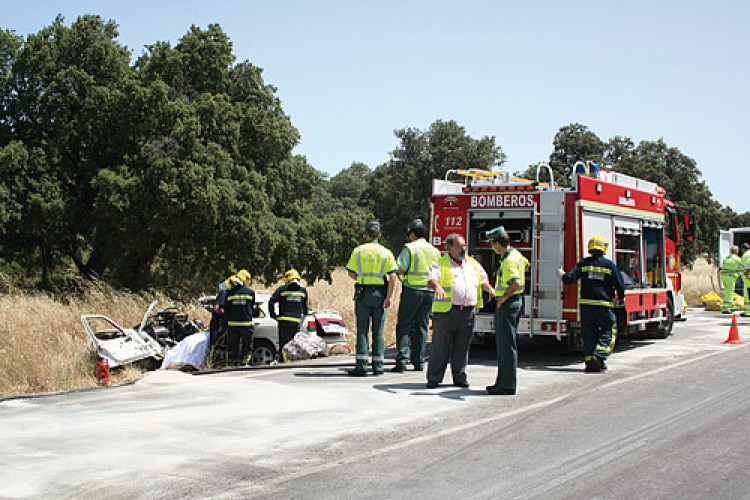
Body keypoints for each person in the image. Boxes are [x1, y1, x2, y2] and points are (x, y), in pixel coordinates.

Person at [426, 233, 494, 389]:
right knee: (440, 347)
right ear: (449, 247)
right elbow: (432, 279)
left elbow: (483, 278)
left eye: (464, 245)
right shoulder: (440, 263)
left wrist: (489, 288)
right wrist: (437, 286)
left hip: (467, 312)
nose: (462, 248)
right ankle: (434, 378)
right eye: (458, 246)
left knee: (462, 347)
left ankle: (460, 377)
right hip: (446, 312)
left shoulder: (472, 263)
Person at [561, 234, 625, 372]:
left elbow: (569, 279)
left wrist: (562, 275)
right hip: (604, 306)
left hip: (586, 306)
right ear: (603, 248)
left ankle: (590, 361)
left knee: (589, 333)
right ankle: (599, 355)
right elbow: (620, 284)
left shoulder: (583, 264)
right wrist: (621, 298)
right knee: (609, 330)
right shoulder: (609, 265)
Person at [346, 221, 398, 376]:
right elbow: (393, 276)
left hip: (363, 293)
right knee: (378, 331)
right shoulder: (386, 252)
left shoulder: (358, 251)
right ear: (379, 235)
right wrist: (389, 297)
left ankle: (361, 366)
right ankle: (378, 366)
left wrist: (361, 278)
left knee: (362, 330)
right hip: (380, 294)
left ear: (366, 235)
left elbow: (350, 272)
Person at [392, 219, 441, 373]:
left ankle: (402, 360)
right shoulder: (434, 250)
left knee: (405, 325)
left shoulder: (410, 248)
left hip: (412, 290)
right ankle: (419, 361)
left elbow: (399, 268)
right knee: (422, 326)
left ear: (413, 233)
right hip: (429, 292)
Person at [485, 226, 529, 396]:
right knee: (506, 344)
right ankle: (503, 381)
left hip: (508, 304)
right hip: (516, 302)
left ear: (498, 243)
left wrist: (503, 297)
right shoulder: (516, 255)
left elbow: (516, 282)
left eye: (492, 244)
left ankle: (506, 385)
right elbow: (526, 265)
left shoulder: (509, 260)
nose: (491, 247)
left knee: (505, 345)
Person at [269, 268, 309, 362]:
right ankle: (293, 361)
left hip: (284, 321)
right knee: (294, 343)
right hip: (296, 321)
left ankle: (283, 361)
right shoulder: (302, 291)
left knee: (284, 343)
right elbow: (304, 307)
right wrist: (305, 314)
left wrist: (273, 315)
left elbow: (271, 301)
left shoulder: (282, 289)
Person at [224, 275, 256, 365]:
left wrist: (225, 325)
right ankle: (244, 363)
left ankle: (231, 364)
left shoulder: (229, 294)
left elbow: (227, 310)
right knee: (247, 346)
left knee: (232, 347)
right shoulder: (250, 293)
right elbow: (252, 307)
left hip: (232, 325)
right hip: (246, 325)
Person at [720, 245, 743, 314]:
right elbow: (741, 269)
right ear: (737, 252)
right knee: (729, 292)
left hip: (723, 277)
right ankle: (726, 308)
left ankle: (731, 306)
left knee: (728, 291)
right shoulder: (737, 259)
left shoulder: (726, 258)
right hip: (731, 277)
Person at [741, 243, 750, 318]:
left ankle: (747, 312)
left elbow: (744, 270)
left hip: (747, 281)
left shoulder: (745, 256)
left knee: (747, 296)